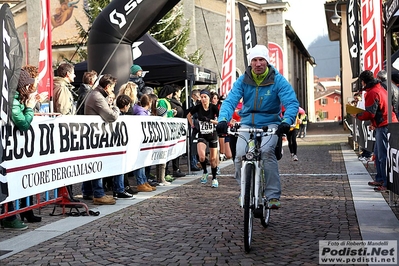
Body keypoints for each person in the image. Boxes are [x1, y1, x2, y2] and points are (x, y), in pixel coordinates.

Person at [216, 44, 299, 209]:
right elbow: (231, 100)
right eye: (254, 60)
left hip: (270, 122)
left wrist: (286, 121)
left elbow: (291, 102)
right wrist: (223, 119)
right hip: (247, 122)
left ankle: (273, 195)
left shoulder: (277, 79)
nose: (258, 63)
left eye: (261, 59)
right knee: (239, 154)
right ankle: (244, 189)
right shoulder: (243, 79)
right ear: (250, 62)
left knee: (267, 153)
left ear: (267, 61)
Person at [2, 69, 45, 230]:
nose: (30, 87)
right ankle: (10, 216)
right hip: (9, 147)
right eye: (28, 85)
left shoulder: (16, 98)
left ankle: (17, 212)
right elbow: (23, 124)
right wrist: (29, 108)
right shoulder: (12, 100)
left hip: (13, 148)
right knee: (8, 180)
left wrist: (29, 103)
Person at [84, 74, 133, 204]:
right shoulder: (97, 96)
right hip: (96, 135)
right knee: (97, 164)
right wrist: (116, 108)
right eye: (112, 87)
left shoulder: (98, 95)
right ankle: (98, 194)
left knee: (93, 164)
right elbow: (111, 116)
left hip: (96, 134)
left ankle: (88, 191)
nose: (113, 90)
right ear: (107, 86)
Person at [355, 70, 398, 192]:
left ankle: (385, 182)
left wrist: (357, 115)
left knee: (382, 155)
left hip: (385, 125)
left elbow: (370, 113)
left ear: (363, 82)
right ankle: (380, 178)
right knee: (378, 154)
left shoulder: (373, 92)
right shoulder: (379, 88)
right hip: (385, 123)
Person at [187, 89, 220, 188]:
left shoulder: (213, 108)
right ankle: (205, 171)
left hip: (212, 134)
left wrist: (209, 120)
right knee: (201, 156)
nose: (203, 99)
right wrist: (192, 125)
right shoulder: (197, 107)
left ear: (209, 98)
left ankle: (214, 178)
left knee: (213, 159)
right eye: (201, 97)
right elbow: (189, 115)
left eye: (205, 97)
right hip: (202, 134)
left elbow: (220, 121)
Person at [131, 94, 157, 192]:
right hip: (139, 141)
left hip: (142, 141)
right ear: (149, 102)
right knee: (139, 162)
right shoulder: (141, 113)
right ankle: (141, 182)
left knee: (142, 162)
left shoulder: (142, 112)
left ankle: (143, 181)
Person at [155, 85, 177, 186]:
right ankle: (161, 178)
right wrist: (171, 112)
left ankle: (161, 177)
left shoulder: (164, 101)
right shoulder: (162, 101)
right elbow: (162, 114)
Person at [167, 85, 186, 178]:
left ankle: (176, 168)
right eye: (179, 91)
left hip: (177, 129)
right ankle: (170, 169)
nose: (180, 93)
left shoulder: (177, 102)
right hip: (173, 129)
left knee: (176, 149)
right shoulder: (172, 102)